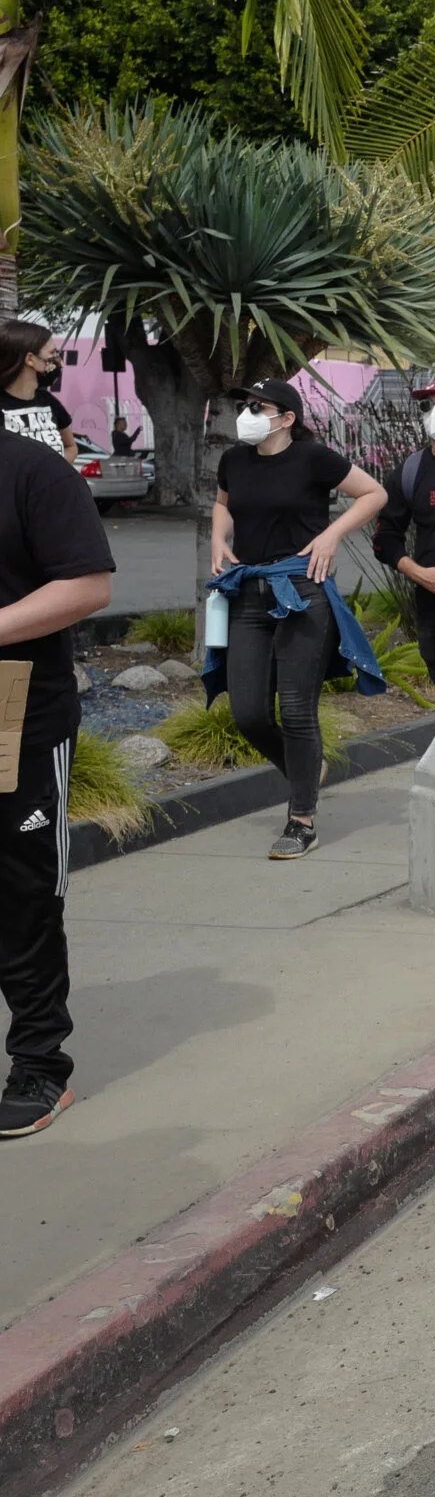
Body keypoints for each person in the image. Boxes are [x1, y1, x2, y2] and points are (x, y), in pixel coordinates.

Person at [206, 378, 388, 860]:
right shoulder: (234, 460)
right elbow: (223, 504)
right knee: (247, 713)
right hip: (248, 591)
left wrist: (331, 537)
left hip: (302, 592)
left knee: (296, 708)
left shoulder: (314, 459)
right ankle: (306, 767)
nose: (247, 413)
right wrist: (218, 539)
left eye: (258, 406)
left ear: (286, 418)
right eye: (245, 404)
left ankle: (301, 819)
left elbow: (373, 494)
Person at [0, 426, 114, 1138]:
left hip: (11, 702)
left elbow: (87, 583)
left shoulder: (32, 470)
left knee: (20, 888)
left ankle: (40, 1062)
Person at [374, 378, 435, 702]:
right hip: (433, 607)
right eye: (427, 405)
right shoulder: (410, 471)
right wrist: (419, 574)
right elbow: (385, 538)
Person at [0, 322, 75, 463]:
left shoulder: (48, 401)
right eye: (52, 353)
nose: (59, 360)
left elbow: (71, 446)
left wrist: (56, 472)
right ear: (30, 359)